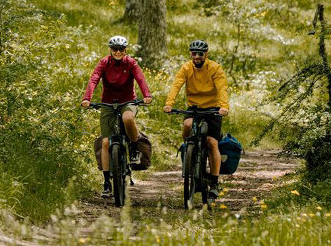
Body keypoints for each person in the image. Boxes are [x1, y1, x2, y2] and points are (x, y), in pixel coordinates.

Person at [80, 35, 152, 198]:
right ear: (110, 50)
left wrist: (146, 94)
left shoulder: (131, 63)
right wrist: (87, 98)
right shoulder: (104, 63)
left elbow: (140, 78)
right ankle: (107, 182)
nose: (118, 52)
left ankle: (133, 148)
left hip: (127, 101)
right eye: (115, 49)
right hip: (108, 103)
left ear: (125, 50)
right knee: (106, 142)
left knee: (128, 119)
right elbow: (94, 79)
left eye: (121, 49)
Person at [162, 39, 230, 196]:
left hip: (213, 109)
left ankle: (214, 181)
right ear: (191, 54)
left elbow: (222, 87)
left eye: (200, 54)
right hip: (194, 108)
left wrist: (223, 106)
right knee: (187, 126)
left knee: (212, 143)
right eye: (194, 53)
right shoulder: (186, 68)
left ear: (206, 54)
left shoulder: (215, 68)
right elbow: (176, 85)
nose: (197, 56)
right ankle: (189, 149)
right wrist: (169, 103)